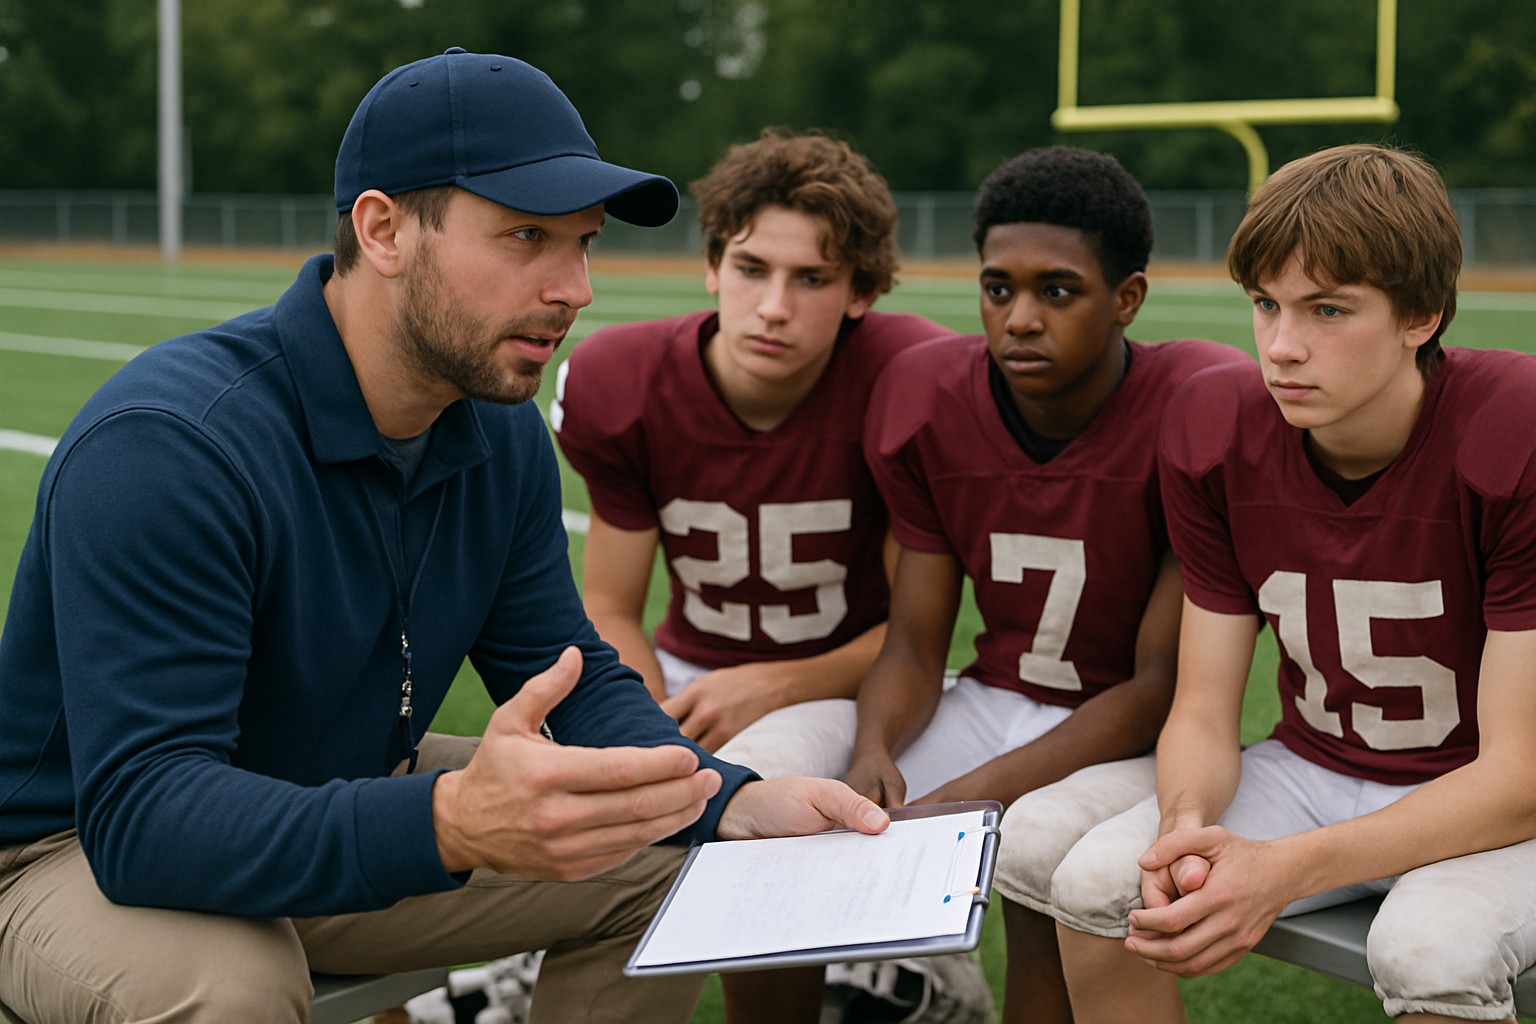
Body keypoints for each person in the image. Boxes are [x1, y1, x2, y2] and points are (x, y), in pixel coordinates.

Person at [0, 48, 887, 1024]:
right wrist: (448, 821)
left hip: (334, 792)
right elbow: (146, 818)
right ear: (383, 230)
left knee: (667, 850)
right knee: (232, 987)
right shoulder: (172, 444)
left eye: (583, 242)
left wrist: (725, 796)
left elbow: (570, 669)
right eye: (526, 237)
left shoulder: (496, 427)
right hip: (77, 850)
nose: (576, 287)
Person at [717, 146, 1248, 1022]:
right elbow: (917, 642)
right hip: (993, 692)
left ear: (1128, 299)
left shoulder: (1193, 399)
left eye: (1058, 291)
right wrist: (872, 750)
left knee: (1035, 866)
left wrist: (977, 795)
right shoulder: (929, 396)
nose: (1021, 318)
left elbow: (1160, 686)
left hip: (1126, 727)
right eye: (998, 289)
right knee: (762, 775)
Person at [1013, 144, 1536, 1024]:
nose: (1283, 347)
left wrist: (1282, 870)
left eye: (1329, 309)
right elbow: (1206, 709)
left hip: (1491, 791)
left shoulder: (1510, 425)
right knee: (1114, 880)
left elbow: (1519, 775)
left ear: (1423, 315)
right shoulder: (1218, 430)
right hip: (1317, 761)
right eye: (1266, 304)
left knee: (1429, 947)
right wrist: (1183, 825)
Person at [552, 129, 949, 756]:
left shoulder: (908, 376)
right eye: (751, 268)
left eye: (813, 279)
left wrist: (778, 685)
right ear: (713, 265)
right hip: (684, 679)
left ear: (861, 293)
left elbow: (918, 638)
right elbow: (611, 606)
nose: (773, 307)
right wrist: (648, 726)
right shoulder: (623, 382)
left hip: (857, 681)